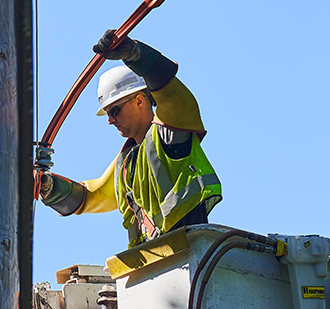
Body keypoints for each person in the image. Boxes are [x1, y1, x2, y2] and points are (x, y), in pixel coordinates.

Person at [39, 31, 222, 248]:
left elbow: (173, 96)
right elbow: (92, 196)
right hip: (151, 264)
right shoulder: (126, 163)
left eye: (114, 110)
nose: (110, 120)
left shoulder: (171, 136)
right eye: (107, 113)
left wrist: (136, 54)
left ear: (139, 100)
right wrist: (49, 187)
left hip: (188, 251)